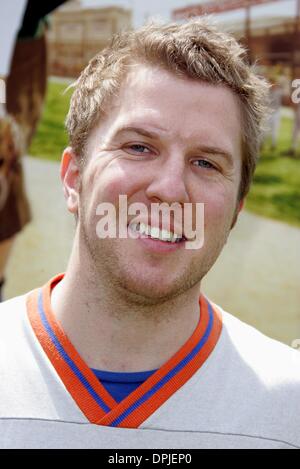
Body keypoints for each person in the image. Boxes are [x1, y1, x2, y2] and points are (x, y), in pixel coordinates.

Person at [0, 18, 300, 450]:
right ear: (73, 179)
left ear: (236, 208)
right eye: (138, 147)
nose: (170, 189)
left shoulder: (287, 411)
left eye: (206, 163)